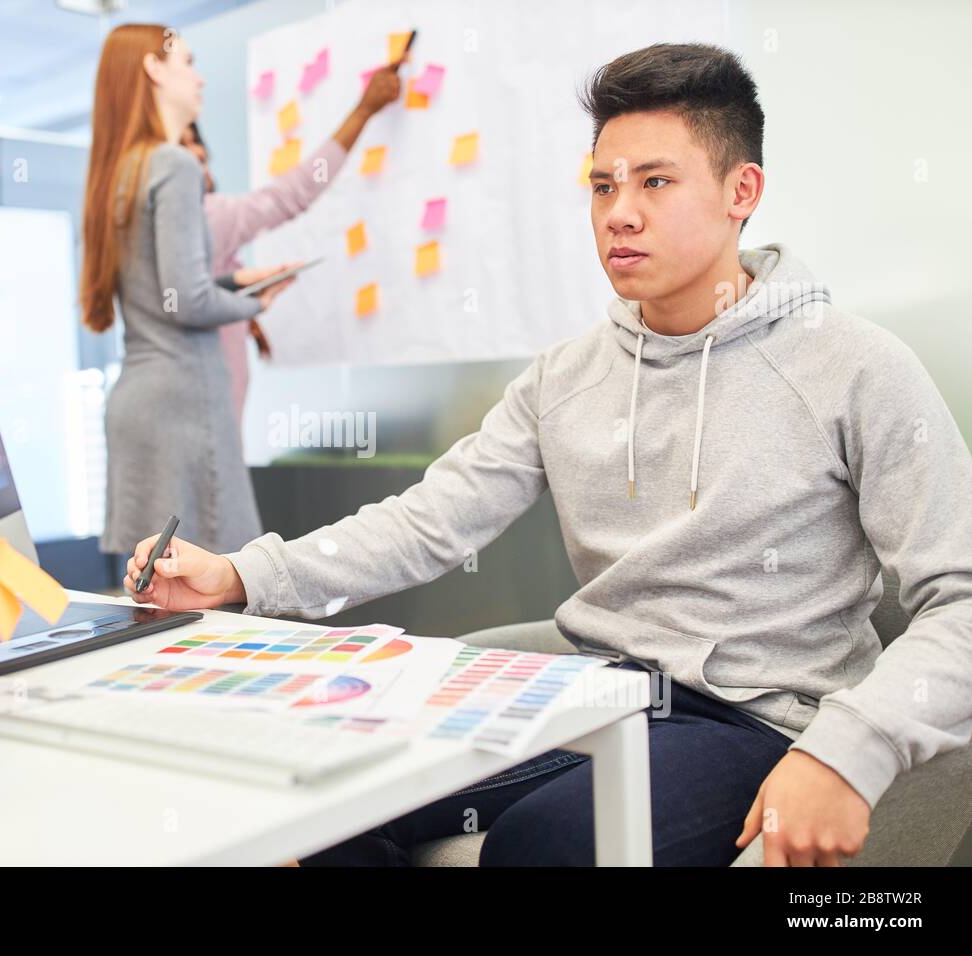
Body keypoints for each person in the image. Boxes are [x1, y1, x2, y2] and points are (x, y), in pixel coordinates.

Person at [121, 43, 972, 866]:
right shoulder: (567, 375)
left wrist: (845, 751)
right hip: (587, 692)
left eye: (655, 182)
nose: (619, 212)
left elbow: (960, 601)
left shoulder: (854, 365)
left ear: (740, 190)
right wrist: (243, 576)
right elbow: (431, 521)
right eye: (602, 186)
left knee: (554, 842)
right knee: (316, 791)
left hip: (754, 723)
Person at [81, 25, 297, 556]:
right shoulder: (173, 164)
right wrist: (253, 301)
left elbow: (165, 293)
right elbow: (189, 301)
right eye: (188, 62)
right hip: (182, 408)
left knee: (154, 597)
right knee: (213, 593)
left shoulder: (122, 170)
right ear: (154, 68)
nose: (199, 78)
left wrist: (230, 283)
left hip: (141, 404)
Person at [180, 61, 404, 423]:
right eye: (184, 146)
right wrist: (363, 111)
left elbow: (199, 292)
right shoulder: (204, 215)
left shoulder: (185, 221)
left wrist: (242, 301)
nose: (200, 154)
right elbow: (293, 193)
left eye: (197, 142)